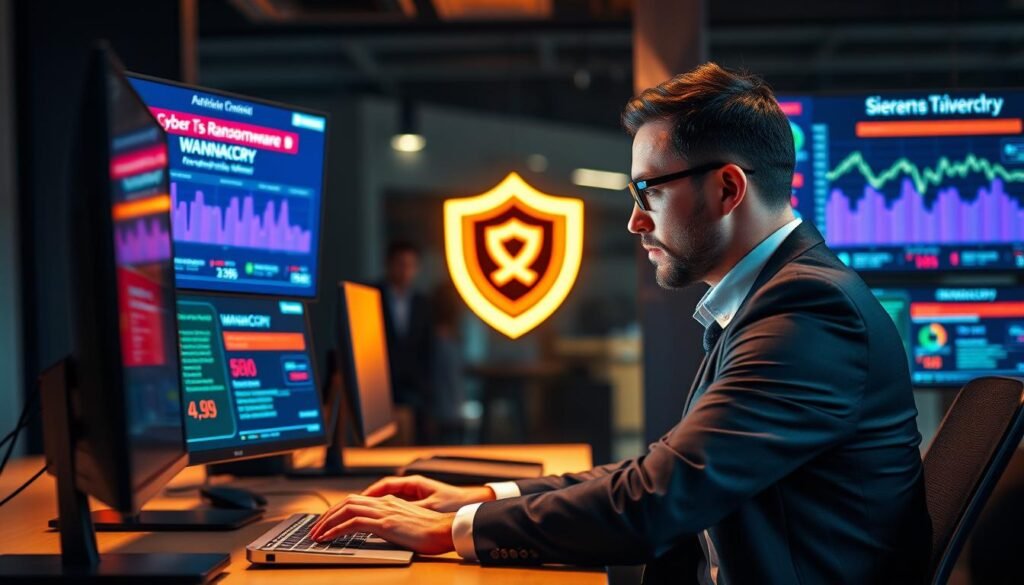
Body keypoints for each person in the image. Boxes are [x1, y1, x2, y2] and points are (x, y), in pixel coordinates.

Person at [309, 63, 932, 584]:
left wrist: (454, 531)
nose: (636, 222)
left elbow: (658, 499)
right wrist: (479, 502)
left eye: (647, 193)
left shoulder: (808, 315)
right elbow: (664, 471)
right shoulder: (776, 297)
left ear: (727, 188)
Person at [378, 240, 433, 443]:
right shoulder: (373, 295)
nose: (405, 271)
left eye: (411, 265)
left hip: (413, 387)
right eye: (401, 264)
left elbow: (427, 348)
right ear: (389, 264)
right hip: (381, 383)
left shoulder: (422, 302)